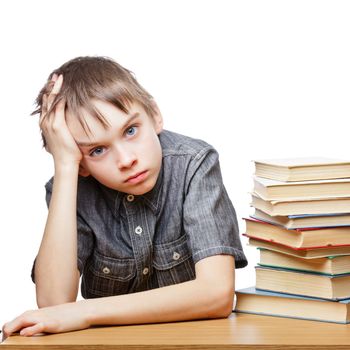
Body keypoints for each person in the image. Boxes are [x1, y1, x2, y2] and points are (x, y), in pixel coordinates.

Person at [2, 56, 247, 339]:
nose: (126, 159)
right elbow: (54, 304)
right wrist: (66, 167)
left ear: (154, 115)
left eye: (131, 131)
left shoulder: (194, 164)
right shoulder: (72, 187)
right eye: (97, 150)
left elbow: (216, 294)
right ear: (81, 162)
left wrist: (85, 312)